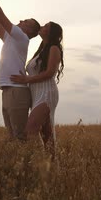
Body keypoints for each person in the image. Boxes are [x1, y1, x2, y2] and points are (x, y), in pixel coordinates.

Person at [0, 0, 41, 141]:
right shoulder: (11, 37)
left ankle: (29, 164)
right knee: (12, 136)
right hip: (8, 90)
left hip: (18, 91)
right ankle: (17, 163)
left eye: (25, 21)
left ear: (29, 31)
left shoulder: (21, 37)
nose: (21, 20)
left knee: (20, 135)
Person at [10, 22, 64, 153]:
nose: (42, 27)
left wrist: (27, 79)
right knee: (47, 135)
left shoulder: (54, 48)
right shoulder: (42, 50)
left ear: (51, 33)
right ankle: (51, 167)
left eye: (46, 27)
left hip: (47, 93)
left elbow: (50, 73)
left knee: (30, 130)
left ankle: (38, 163)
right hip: (36, 93)